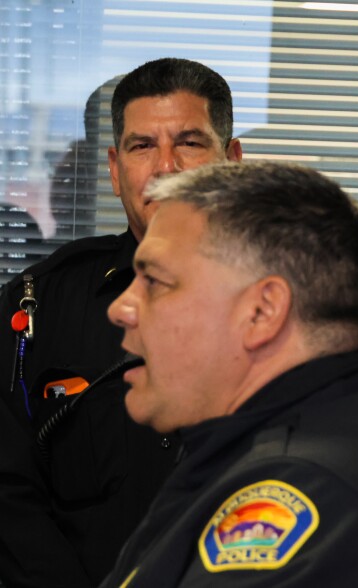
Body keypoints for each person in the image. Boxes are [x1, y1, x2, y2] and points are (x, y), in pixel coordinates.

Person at [98, 161, 358, 587]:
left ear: (262, 312)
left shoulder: (311, 490)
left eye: (154, 282)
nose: (120, 308)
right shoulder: (273, 447)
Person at [0, 57, 243, 587]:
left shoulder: (299, 308)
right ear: (114, 170)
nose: (166, 167)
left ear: (233, 161)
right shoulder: (40, 304)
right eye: (141, 146)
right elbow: (8, 493)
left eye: (190, 142)